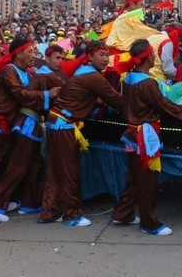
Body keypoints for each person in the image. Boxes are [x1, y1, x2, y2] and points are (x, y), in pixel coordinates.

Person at [110, 39, 182, 236]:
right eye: (152, 54)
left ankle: (122, 213)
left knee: (135, 178)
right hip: (144, 137)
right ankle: (149, 223)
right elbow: (163, 105)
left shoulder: (128, 79)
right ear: (149, 57)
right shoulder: (147, 83)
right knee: (147, 182)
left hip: (132, 134)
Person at [0, 37, 60, 225]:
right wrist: (46, 94)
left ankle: (11, 204)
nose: (33, 56)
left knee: (10, 167)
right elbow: (20, 95)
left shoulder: (25, 72)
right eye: (30, 52)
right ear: (18, 53)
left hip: (6, 125)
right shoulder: (9, 70)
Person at [40, 41, 123, 226]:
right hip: (64, 126)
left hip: (56, 123)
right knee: (70, 173)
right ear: (90, 57)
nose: (105, 59)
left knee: (55, 172)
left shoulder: (83, 72)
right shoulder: (94, 76)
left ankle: (50, 212)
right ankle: (71, 215)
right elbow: (117, 100)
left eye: (106, 55)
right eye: (100, 55)